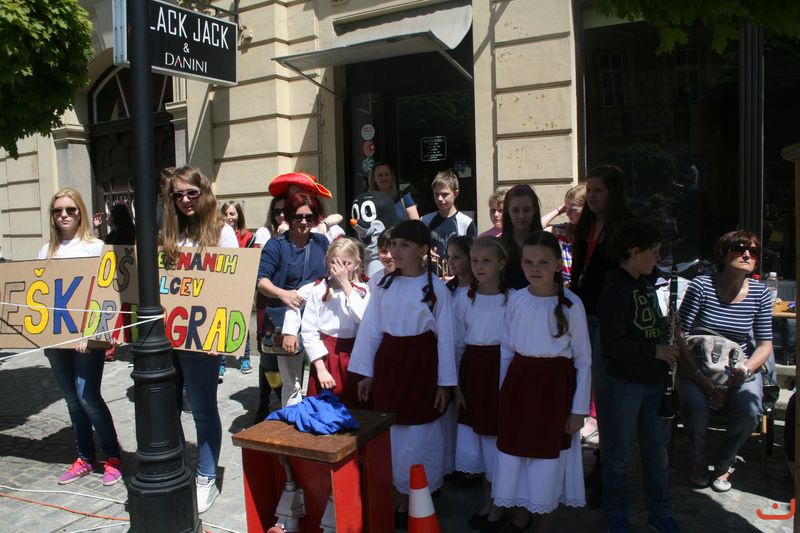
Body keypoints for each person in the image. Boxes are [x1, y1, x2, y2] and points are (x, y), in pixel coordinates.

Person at [349, 220, 457, 523]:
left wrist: (444, 384)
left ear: (423, 251)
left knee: (420, 429)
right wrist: (367, 374)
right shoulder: (384, 285)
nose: (395, 251)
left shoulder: (436, 290)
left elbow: (446, 339)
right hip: (390, 365)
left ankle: (419, 494)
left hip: (422, 366)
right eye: (393, 244)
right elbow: (371, 330)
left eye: (404, 245)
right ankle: (397, 494)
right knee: (393, 430)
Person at [492, 231, 590, 531]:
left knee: (548, 457)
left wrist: (578, 409)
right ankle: (520, 515)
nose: (535, 269)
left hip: (554, 391)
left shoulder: (571, 305)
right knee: (515, 452)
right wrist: (503, 392)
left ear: (558, 264)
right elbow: (506, 349)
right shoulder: (517, 300)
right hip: (519, 387)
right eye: (528, 262)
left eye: (543, 262)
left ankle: (545, 521)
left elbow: (583, 360)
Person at [160, 165, 238, 513]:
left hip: (203, 337)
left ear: (204, 192)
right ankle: (179, 466)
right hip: (167, 336)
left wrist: (218, 336)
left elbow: (233, 288)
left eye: (191, 193)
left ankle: (207, 475)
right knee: (166, 407)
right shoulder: (168, 234)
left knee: (203, 408)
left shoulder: (222, 232)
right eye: (178, 194)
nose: (185, 200)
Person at [596, 219, 679, 533]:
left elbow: (647, 326)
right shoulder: (615, 290)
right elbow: (614, 345)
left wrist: (665, 331)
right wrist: (655, 351)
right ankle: (616, 513)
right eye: (653, 252)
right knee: (618, 454)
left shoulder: (645, 284)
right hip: (625, 383)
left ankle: (660, 511)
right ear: (633, 252)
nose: (657, 258)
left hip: (653, 382)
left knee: (656, 454)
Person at [38, 188, 123, 487]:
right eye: (58, 211)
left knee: (88, 396)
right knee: (72, 400)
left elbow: (106, 294)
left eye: (70, 210)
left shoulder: (96, 247)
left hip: (88, 339)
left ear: (81, 213)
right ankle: (85, 457)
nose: (64, 215)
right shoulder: (45, 251)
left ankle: (113, 457)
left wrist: (94, 333)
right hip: (56, 339)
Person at [677, 230, 773, 493]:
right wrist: (700, 379)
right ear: (722, 254)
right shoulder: (702, 286)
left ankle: (725, 460)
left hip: (737, 366)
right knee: (695, 405)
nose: (747, 255)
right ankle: (698, 460)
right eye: (740, 248)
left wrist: (745, 370)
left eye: (753, 252)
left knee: (750, 408)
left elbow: (765, 345)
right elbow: (679, 336)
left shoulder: (760, 293)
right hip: (697, 365)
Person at [570, 164, 633, 505]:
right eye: (589, 190)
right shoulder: (585, 225)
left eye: (598, 190)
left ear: (613, 193)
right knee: (585, 386)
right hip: (584, 312)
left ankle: (607, 468)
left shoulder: (626, 228)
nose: (592, 196)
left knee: (606, 395)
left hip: (610, 319)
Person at [453, 237, 512, 530]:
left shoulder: (513, 299)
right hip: (473, 372)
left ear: (501, 263)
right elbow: (456, 344)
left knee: (495, 441)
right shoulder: (464, 298)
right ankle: (488, 502)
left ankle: (501, 506)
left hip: (500, 371)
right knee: (478, 440)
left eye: (486, 261)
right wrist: (456, 386)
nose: (479, 267)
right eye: (475, 261)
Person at [256, 193, 329, 407]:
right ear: (288, 217)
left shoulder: (322, 242)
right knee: (291, 382)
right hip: (287, 321)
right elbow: (261, 281)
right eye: (298, 217)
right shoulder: (276, 245)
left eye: (309, 217)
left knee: (321, 373)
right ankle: (291, 418)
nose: (304, 222)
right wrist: (283, 294)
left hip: (318, 319)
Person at [281, 238, 369, 406]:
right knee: (323, 405)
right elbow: (309, 331)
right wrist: (320, 369)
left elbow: (364, 319)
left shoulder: (363, 291)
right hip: (326, 356)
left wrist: (346, 285)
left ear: (357, 264)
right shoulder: (318, 290)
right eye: (334, 263)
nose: (340, 269)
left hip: (354, 356)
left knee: (354, 406)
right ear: (327, 261)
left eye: (346, 263)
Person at [220, 200, 257, 375]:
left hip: (241, 286)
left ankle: (245, 358)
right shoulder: (215, 235)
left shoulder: (248, 237)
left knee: (240, 321)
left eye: (232, 213)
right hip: (221, 286)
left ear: (239, 215)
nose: (229, 217)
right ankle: (220, 362)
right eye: (226, 214)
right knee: (220, 323)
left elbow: (250, 267)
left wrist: (250, 293)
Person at [499, 184, 543, 289]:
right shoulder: (499, 247)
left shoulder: (545, 245)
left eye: (526, 210)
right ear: (508, 212)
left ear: (534, 210)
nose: (521, 216)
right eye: (515, 210)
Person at [543, 184, 586, 286]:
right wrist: (559, 210)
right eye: (566, 208)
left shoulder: (594, 233)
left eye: (573, 209)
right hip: (565, 289)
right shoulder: (564, 230)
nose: (567, 213)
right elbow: (539, 228)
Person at [367, 227, 394, 292]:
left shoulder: (413, 278)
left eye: (393, 251)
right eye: (384, 251)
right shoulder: (375, 280)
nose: (388, 256)